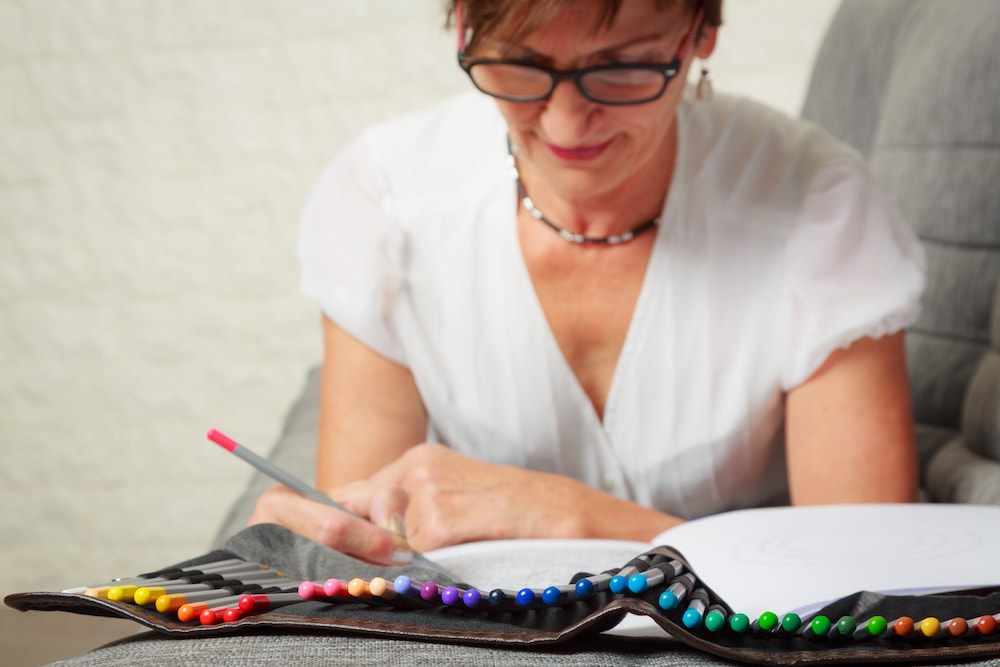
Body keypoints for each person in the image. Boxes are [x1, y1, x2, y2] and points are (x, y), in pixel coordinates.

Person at [249, 0, 925, 566]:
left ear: (700, 33)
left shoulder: (822, 207)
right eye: (521, 64)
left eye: (622, 67)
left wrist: (575, 515)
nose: (565, 124)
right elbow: (366, 556)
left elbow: (864, 576)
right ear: (462, 27)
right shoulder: (385, 201)